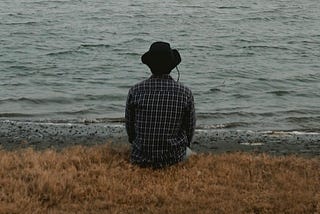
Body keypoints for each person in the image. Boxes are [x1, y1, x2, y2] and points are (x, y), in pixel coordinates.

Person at [125, 41, 196, 168]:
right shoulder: (185, 93)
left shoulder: (135, 90)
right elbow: (189, 129)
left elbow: (130, 129)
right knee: (191, 154)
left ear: (150, 65)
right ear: (172, 66)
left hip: (141, 157)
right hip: (174, 158)